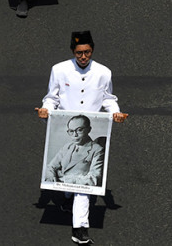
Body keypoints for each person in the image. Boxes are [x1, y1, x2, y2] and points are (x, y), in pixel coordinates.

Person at [36, 31, 127, 246]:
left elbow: (108, 98)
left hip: (91, 133)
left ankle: (80, 228)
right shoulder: (59, 70)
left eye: (86, 52)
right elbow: (52, 97)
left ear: (92, 51)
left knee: (83, 188)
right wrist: (45, 110)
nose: (83, 57)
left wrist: (116, 113)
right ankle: (67, 198)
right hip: (66, 130)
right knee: (67, 172)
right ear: (73, 52)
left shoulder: (104, 72)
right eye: (79, 53)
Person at [43, 113, 105, 187]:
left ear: (89, 130)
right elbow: (50, 167)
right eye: (71, 131)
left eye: (79, 130)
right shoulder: (67, 146)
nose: (75, 135)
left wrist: (62, 179)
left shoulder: (97, 150)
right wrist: (51, 176)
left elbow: (94, 179)